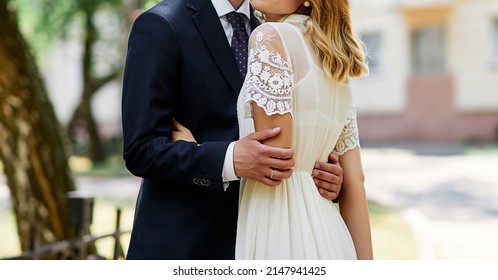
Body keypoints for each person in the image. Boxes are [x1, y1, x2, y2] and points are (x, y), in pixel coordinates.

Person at [121, 0, 345, 260]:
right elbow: (141, 148)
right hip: (186, 247)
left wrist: (325, 176)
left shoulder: (278, 29)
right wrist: (229, 160)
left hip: (264, 243)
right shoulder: (162, 24)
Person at [234, 0, 373, 259]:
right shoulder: (335, 63)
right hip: (331, 237)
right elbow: (356, 181)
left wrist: (194, 147)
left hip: (280, 231)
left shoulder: (270, 37)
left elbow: (275, 164)